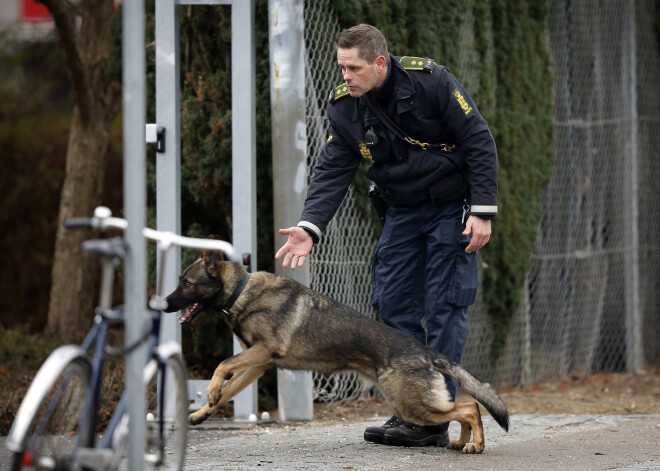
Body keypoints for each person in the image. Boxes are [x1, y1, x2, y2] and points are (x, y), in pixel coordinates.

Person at [275, 24, 498, 447]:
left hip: (452, 207)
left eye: (353, 68)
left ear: (379, 63)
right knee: (393, 304)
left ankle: (434, 416)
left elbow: (478, 139)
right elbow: (333, 170)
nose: (346, 76)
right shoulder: (345, 107)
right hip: (402, 211)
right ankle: (412, 409)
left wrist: (483, 211)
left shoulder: (431, 83)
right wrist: (309, 228)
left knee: (445, 305)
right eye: (341, 67)